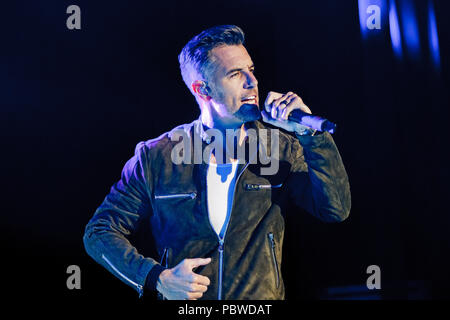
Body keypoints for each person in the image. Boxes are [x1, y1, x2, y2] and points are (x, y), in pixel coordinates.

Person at [83, 25, 351, 300]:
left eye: (251, 70)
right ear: (202, 89)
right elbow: (99, 232)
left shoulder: (280, 148)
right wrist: (157, 278)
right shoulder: (156, 157)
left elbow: (335, 209)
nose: (252, 82)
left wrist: (310, 136)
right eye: (236, 74)